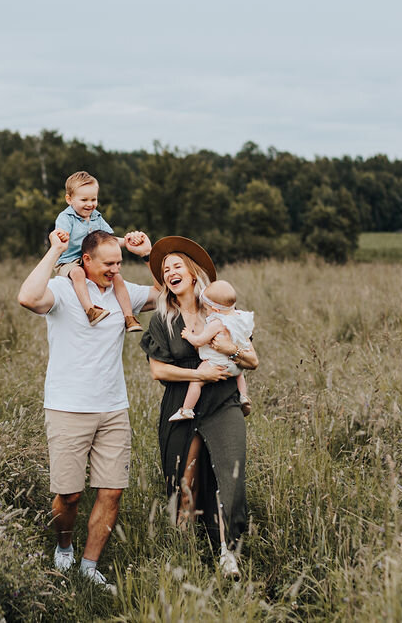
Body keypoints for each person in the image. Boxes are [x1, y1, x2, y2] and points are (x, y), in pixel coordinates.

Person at [17, 227, 157, 592]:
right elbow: (27, 298)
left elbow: (172, 291)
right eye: (108, 264)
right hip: (67, 407)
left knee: (111, 491)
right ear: (86, 261)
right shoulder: (64, 290)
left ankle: (88, 566)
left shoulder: (123, 292)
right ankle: (64, 547)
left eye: (119, 263)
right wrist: (54, 250)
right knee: (70, 494)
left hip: (113, 407)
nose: (115, 269)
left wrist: (149, 254)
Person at [139, 236, 258, 579]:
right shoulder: (163, 318)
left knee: (230, 476)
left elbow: (252, 360)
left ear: (193, 275)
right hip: (181, 404)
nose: (171, 272)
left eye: (177, 266)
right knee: (184, 483)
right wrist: (198, 372)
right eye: (165, 270)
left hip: (223, 402)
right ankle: (184, 552)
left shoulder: (220, 312)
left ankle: (228, 554)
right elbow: (157, 370)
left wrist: (230, 349)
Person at [54, 171, 144, 332]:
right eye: (84, 200)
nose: (90, 204)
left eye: (93, 199)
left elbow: (107, 240)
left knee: (117, 277)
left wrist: (126, 241)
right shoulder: (65, 218)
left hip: (93, 259)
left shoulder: (96, 217)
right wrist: (61, 235)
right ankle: (90, 310)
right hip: (70, 260)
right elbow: (60, 235)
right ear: (69, 199)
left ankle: (129, 317)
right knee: (77, 274)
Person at [170, 279, 254, 421]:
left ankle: (187, 409)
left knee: (196, 381)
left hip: (217, 362)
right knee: (240, 375)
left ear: (215, 310)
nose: (206, 312)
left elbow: (200, 341)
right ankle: (243, 396)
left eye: (207, 309)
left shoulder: (217, 323)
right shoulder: (240, 317)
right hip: (236, 364)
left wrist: (188, 335)